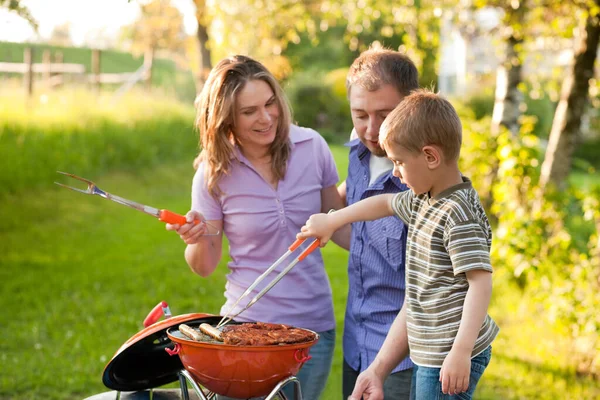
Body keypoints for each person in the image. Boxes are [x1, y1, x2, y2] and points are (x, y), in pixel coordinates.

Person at [298, 90, 500, 400]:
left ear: (431, 157)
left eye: (399, 162)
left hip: (449, 355)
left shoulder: (457, 214)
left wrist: (460, 352)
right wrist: (333, 220)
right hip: (431, 351)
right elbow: (386, 203)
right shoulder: (425, 200)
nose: (395, 172)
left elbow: (480, 284)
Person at [167, 55, 344, 400]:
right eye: (249, 112)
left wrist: (378, 200)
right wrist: (196, 237)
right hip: (244, 329)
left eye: (270, 103)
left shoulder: (312, 147)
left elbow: (342, 228)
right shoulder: (213, 173)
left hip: (313, 328)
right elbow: (203, 266)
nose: (266, 118)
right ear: (225, 119)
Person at [337, 46, 418, 399]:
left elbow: (424, 297)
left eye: (385, 115)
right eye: (360, 115)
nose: (372, 130)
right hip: (355, 345)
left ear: (411, 105)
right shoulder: (358, 155)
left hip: (401, 361)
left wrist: (381, 369)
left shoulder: (426, 181)